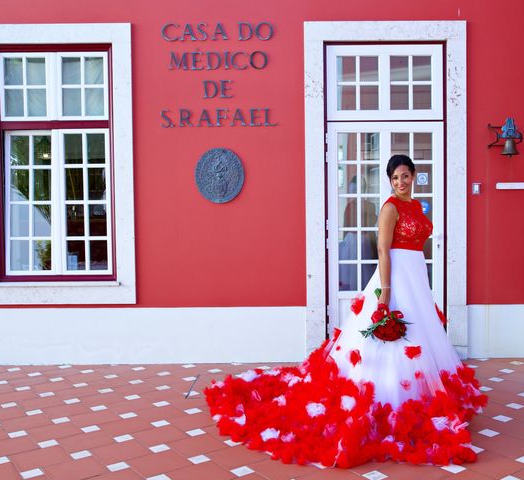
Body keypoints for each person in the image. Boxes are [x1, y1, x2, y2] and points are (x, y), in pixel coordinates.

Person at [205, 154, 487, 468]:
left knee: (422, 336)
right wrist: (386, 294)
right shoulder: (390, 208)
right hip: (394, 280)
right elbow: (383, 249)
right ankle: (391, 398)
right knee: (393, 342)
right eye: (394, 179)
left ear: (414, 176)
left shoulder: (417, 207)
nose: (400, 182)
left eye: (405, 176)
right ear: (390, 182)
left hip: (417, 277)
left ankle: (420, 397)